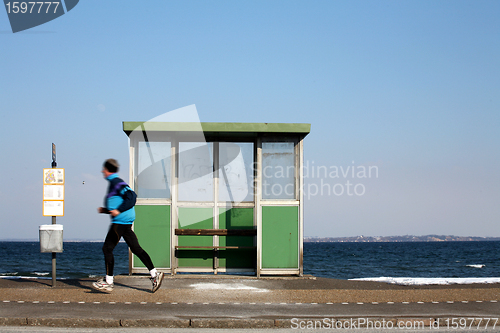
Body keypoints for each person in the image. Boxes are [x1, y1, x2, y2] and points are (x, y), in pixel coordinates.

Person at [92, 158, 164, 292]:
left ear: (108, 170)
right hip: (124, 222)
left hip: (120, 222)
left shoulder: (116, 182)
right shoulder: (116, 182)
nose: (102, 171)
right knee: (136, 249)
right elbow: (118, 204)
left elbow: (132, 197)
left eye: (104, 169)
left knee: (107, 249)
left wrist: (118, 211)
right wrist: (105, 210)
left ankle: (108, 281)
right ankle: (155, 274)